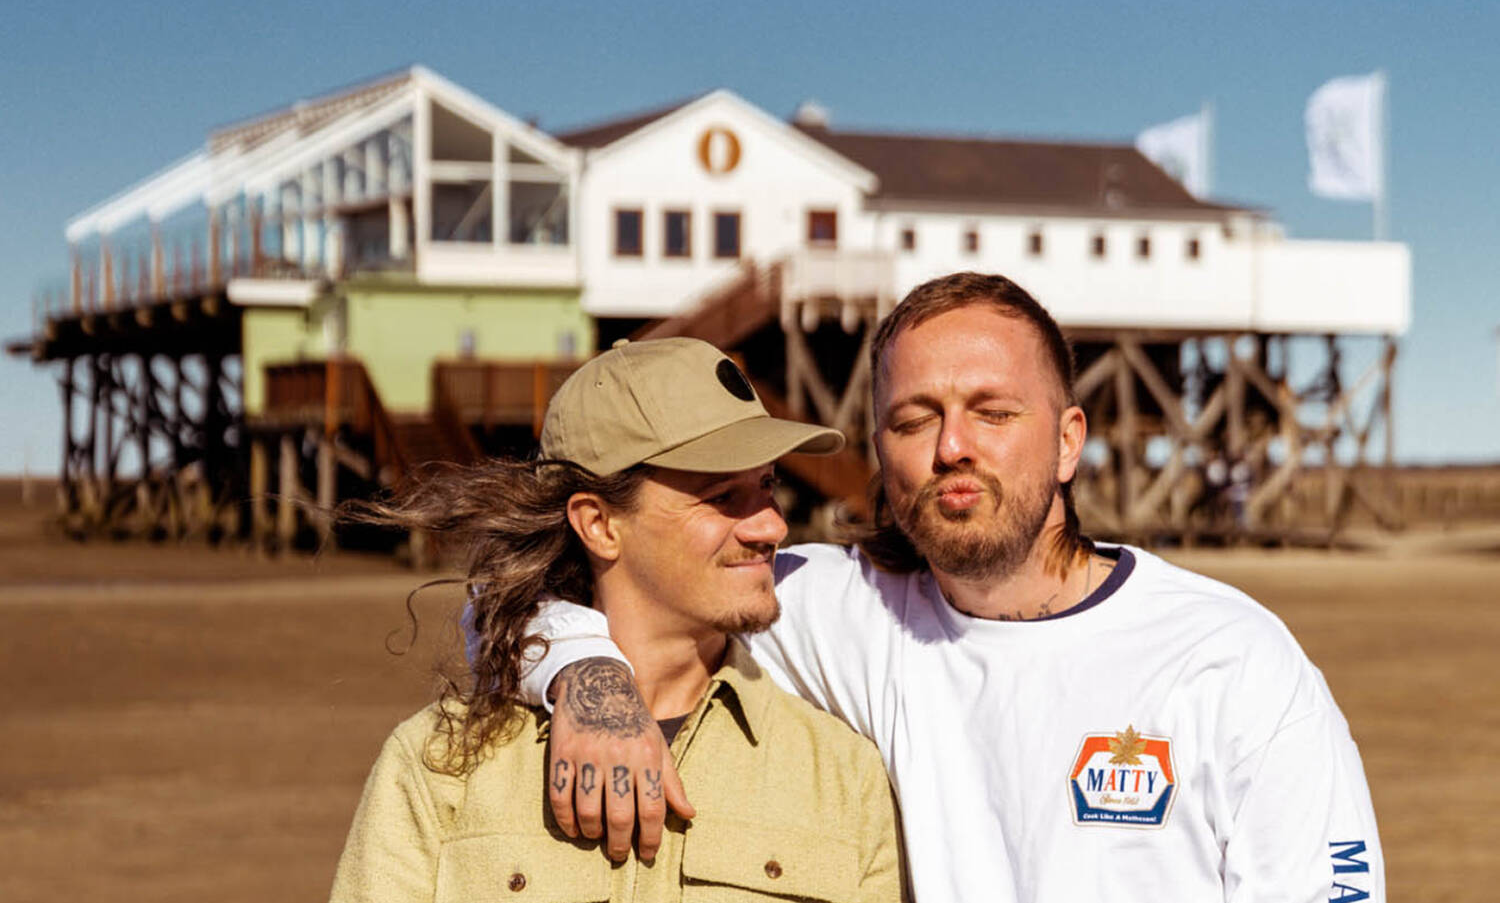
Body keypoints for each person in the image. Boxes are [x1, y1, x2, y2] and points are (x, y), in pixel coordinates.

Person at [522, 273, 1385, 902]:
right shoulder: (838, 609)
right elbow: (546, 592)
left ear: (1068, 441)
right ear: (880, 446)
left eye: (994, 412)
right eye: (914, 419)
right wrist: (587, 672)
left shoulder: (1231, 658)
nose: (952, 447)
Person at [329, 338, 904, 902]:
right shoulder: (441, 764)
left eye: (767, 486)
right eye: (722, 496)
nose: (772, 528)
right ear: (600, 525)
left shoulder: (843, 777)